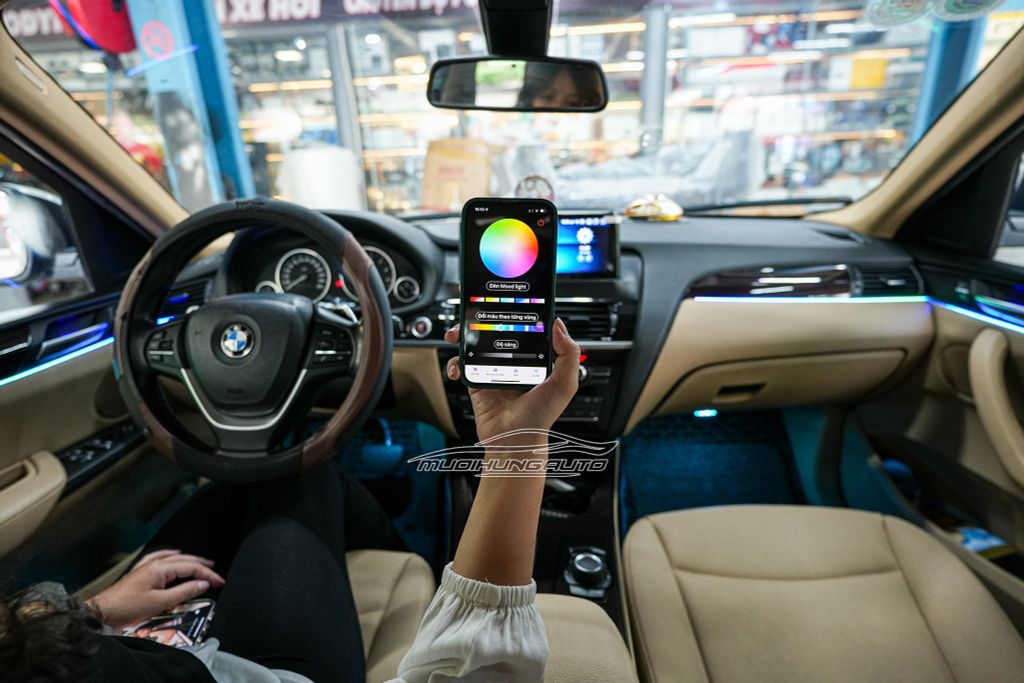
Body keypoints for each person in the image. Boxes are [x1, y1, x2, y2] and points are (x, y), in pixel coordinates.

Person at [0, 318, 580, 683]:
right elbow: (477, 670)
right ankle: (417, 559)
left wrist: (90, 612)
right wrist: (518, 442)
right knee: (305, 477)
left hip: (90, 650)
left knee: (259, 479)